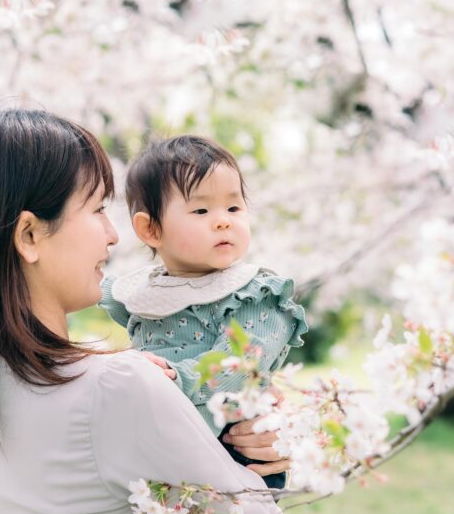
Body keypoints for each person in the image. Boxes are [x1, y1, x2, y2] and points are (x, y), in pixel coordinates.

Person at [0, 110, 291, 514]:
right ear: (30, 235)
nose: (114, 235)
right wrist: (255, 469)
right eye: (98, 209)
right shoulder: (116, 386)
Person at [99, 136, 307, 489]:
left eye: (234, 208)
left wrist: (179, 378)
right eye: (201, 211)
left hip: (232, 448)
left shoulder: (253, 293)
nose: (223, 221)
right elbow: (94, 290)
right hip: (158, 445)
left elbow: (242, 365)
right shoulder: (147, 292)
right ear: (151, 229)